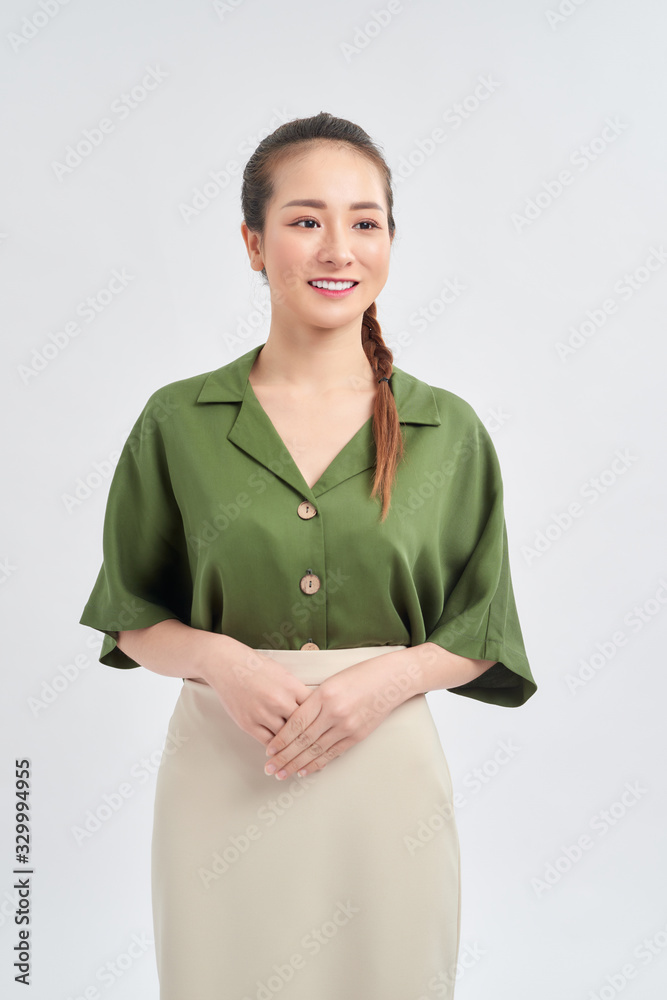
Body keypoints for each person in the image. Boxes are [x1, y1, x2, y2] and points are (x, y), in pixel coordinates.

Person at [79, 111, 537, 1000]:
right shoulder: (178, 421)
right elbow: (130, 608)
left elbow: (483, 625)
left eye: (365, 221)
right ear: (252, 243)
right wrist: (220, 660)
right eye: (304, 219)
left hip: (386, 783)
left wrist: (388, 680)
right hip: (223, 768)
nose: (338, 248)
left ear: (391, 241)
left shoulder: (450, 431)